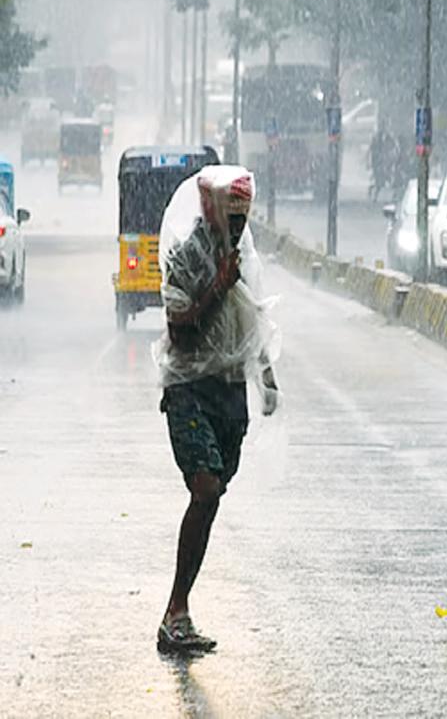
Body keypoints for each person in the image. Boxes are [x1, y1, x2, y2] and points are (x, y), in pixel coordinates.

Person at [153, 165, 279, 653]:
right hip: (190, 390)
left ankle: (178, 612)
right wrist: (217, 287)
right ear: (212, 212)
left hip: (229, 394)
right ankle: (175, 610)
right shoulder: (188, 257)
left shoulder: (242, 256)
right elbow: (180, 328)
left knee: (212, 497)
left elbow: (252, 318)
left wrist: (267, 379)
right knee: (204, 489)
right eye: (233, 218)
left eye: (245, 220)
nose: (240, 229)